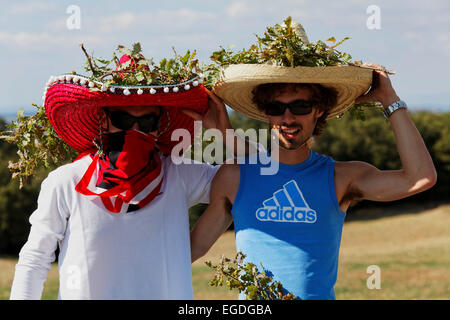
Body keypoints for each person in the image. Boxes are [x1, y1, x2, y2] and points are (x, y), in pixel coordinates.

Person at [190, 28, 437, 299]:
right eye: (276, 108)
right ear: (265, 113)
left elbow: (421, 177)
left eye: (300, 107)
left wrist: (390, 101)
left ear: (319, 110)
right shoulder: (234, 178)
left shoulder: (342, 178)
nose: (287, 118)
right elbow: (193, 248)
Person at [9, 49, 239, 300]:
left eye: (147, 122)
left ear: (159, 126)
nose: (135, 130)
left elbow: (248, 177)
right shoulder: (66, 182)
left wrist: (226, 135)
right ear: (103, 119)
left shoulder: (179, 175)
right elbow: (35, 259)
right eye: (123, 119)